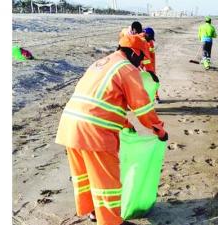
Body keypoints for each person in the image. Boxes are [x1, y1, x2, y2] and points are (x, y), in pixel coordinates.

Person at [55, 34, 168, 225]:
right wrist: (159, 130)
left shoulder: (101, 63)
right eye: (141, 58)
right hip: (94, 133)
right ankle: (111, 222)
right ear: (133, 52)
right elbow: (142, 107)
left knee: (84, 175)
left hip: (70, 126)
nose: (140, 64)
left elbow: (101, 100)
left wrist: (125, 123)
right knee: (107, 184)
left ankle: (92, 212)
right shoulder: (127, 69)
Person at [142, 27, 161, 103]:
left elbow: (152, 55)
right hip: (139, 62)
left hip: (148, 62)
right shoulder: (139, 40)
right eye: (150, 38)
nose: (150, 40)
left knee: (153, 79)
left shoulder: (150, 43)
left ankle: (155, 96)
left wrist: (152, 67)